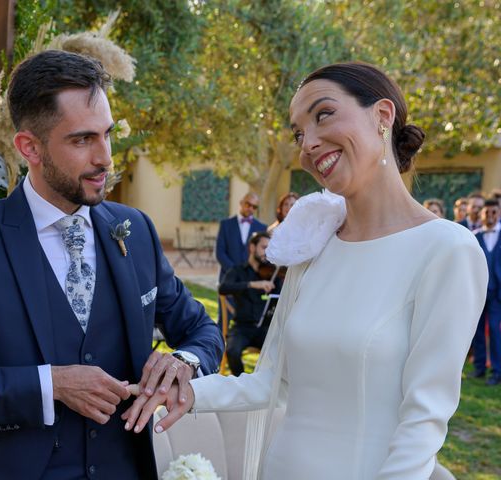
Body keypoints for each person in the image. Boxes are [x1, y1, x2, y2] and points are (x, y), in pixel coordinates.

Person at [123, 61, 487, 479]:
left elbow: (423, 422)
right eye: (298, 133)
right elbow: (266, 383)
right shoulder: (313, 246)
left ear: (382, 117)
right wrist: (179, 390)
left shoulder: (448, 250)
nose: (308, 144)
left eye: (323, 115)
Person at [0, 50, 223, 480]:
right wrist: (50, 386)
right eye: (82, 140)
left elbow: (203, 331)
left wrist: (185, 361)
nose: (104, 157)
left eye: (107, 135)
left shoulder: (134, 229)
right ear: (30, 147)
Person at [219, 231, 283, 376]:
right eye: (263, 248)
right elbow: (223, 288)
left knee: (280, 351)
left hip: (265, 329)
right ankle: (242, 383)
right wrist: (252, 284)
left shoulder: (273, 274)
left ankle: (264, 384)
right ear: (252, 248)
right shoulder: (237, 271)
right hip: (242, 327)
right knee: (232, 351)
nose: (266, 253)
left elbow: (280, 298)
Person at [471, 199, 501, 385]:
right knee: (477, 331)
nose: (490, 216)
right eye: (486, 212)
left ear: (498, 214)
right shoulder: (474, 236)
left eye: (493, 212)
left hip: (497, 294)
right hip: (478, 291)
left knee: (496, 333)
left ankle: (497, 371)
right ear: (481, 214)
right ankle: (479, 367)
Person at [215, 192, 267, 283]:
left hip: (251, 280)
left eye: (254, 207)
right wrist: (235, 271)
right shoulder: (225, 224)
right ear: (241, 202)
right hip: (228, 277)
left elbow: (261, 254)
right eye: (248, 204)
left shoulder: (262, 228)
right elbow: (220, 252)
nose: (250, 208)